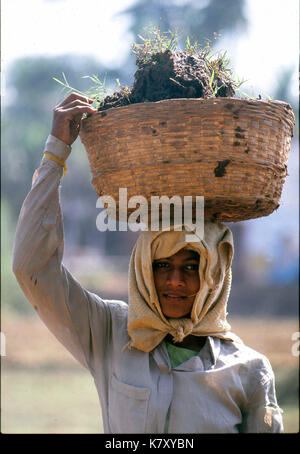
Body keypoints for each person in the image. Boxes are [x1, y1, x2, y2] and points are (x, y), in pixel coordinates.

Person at [13, 93, 283, 434]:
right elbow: (32, 269)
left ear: (214, 272)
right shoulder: (109, 332)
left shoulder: (250, 371)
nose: (174, 281)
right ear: (142, 267)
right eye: (160, 265)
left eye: (190, 267)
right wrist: (56, 153)